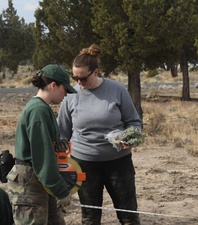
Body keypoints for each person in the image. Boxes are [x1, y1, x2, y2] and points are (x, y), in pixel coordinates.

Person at [57, 44, 142, 225]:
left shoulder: (117, 90)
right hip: (84, 165)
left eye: (83, 78)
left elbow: (134, 122)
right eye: (74, 77)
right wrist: (60, 162)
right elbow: (62, 132)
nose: (78, 83)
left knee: (129, 217)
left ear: (95, 72)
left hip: (119, 164)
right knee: (90, 218)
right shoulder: (70, 96)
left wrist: (132, 138)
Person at [6, 64, 77, 224]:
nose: (66, 95)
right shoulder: (38, 110)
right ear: (53, 85)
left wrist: (56, 146)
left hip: (40, 182)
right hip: (30, 185)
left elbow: (43, 148)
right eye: (64, 89)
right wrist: (61, 190)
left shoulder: (42, 109)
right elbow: (42, 158)